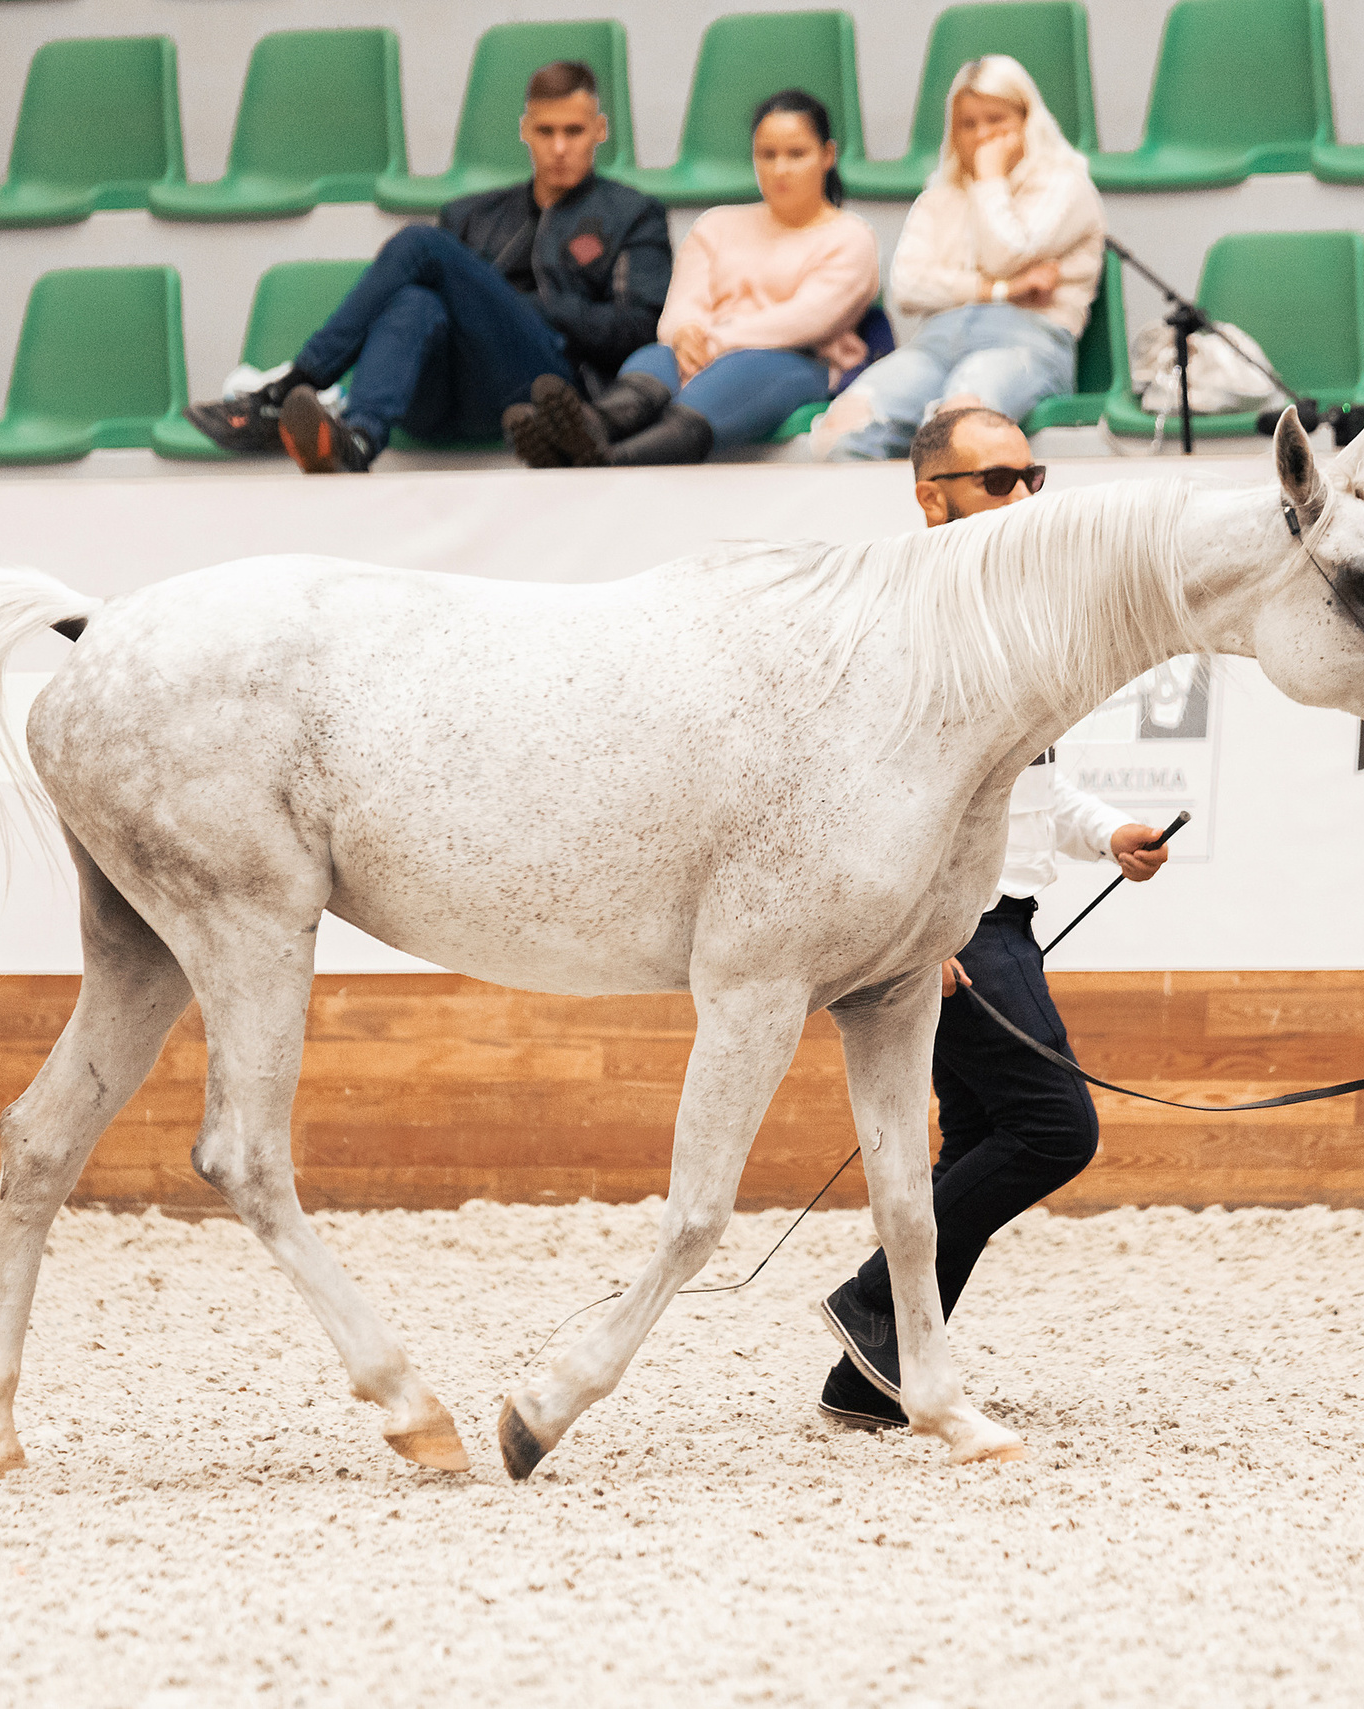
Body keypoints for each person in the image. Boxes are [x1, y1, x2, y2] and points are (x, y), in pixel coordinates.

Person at [815, 405, 1173, 1431]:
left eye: (1033, 477)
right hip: (952, 927)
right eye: (999, 480)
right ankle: (872, 1300)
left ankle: (868, 1375)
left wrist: (1110, 836)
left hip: (1001, 921)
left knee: (978, 1131)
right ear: (932, 499)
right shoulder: (897, 625)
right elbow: (866, 797)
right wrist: (915, 930)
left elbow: (1039, 791)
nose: (1025, 498)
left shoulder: (1016, 624)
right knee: (1054, 1126)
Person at [182, 61, 671, 474]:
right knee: (415, 301)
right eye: (546, 131)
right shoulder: (472, 214)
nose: (559, 147)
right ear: (525, 131)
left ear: (600, 131)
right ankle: (357, 441)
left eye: (574, 131)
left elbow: (638, 327)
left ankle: (290, 387)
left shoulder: (631, 214)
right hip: (442, 393)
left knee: (421, 244)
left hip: (544, 390)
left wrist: (531, 306)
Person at [506, 90, 879, 469]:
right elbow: (682, 305)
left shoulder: (850, 236)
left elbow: (807, 319)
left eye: (796, 154)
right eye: (767, 154)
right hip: (696, 352)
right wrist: (685, 334)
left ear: (827, 156)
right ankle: (589, 428)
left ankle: (602, 461)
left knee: (730, 376)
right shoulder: (716, 225)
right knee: (652, 358)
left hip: (796, 361)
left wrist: (713, 342)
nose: (780, 169)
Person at [819, 57, 1105, 462]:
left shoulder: (1066, 186)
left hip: (1026, 343)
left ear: (1028, 119)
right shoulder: (939, 195)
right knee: (840, 428)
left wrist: (990, 179)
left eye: (996, 120)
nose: (982, 135)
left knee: (959, 428)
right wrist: (1003, 289)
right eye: (967, 124)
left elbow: (1004, 254)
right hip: (935, 344)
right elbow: (908, 286)